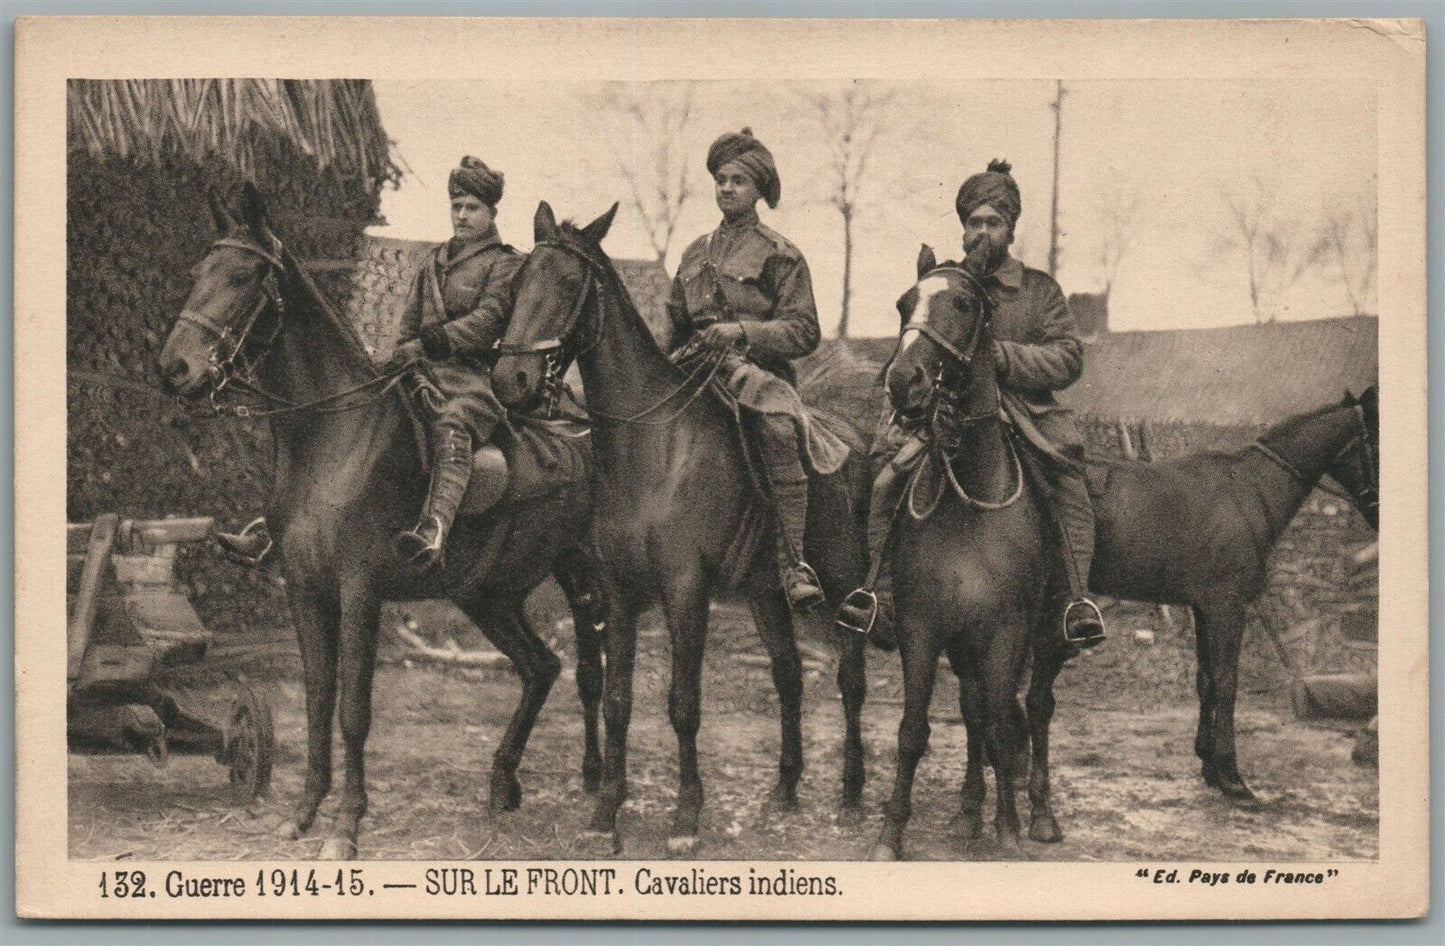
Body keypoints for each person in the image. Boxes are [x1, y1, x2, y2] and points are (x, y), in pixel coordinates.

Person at [839, 159, 1106, 648]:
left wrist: (1003, 358)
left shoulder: (1039, 290)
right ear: (962, 230)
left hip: (1027, 414)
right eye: (973, 223)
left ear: (1010, 229)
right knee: (883, 483)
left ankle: (1076, 601)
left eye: (993, 223)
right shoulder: (944, 285)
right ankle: (879, 594)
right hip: (948, 413)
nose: (981, 232)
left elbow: (1068, 357)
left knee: (1069, 485)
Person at [666, 128, 825, 612]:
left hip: (754, 376)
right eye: (720, 179)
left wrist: (742, 333)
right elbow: (673, 325)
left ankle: (793, 562)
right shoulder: (694, 253)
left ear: (759, 189)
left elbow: (804, 330)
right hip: (692, 372)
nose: (727, 188)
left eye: (737, 180)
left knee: (778, 432)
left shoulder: (781, 254)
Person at [383, 155, 524, 570]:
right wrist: (398, 353)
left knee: (451, 424)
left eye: (472, 208)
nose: (461, 216)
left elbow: (488, 320)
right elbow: (409, 321)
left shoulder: (505, 262)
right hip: (419, 370)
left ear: (492, 212)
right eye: (456, 206)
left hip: (470, 379)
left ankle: (435, 529)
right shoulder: (433, 260)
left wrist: (432, 342)